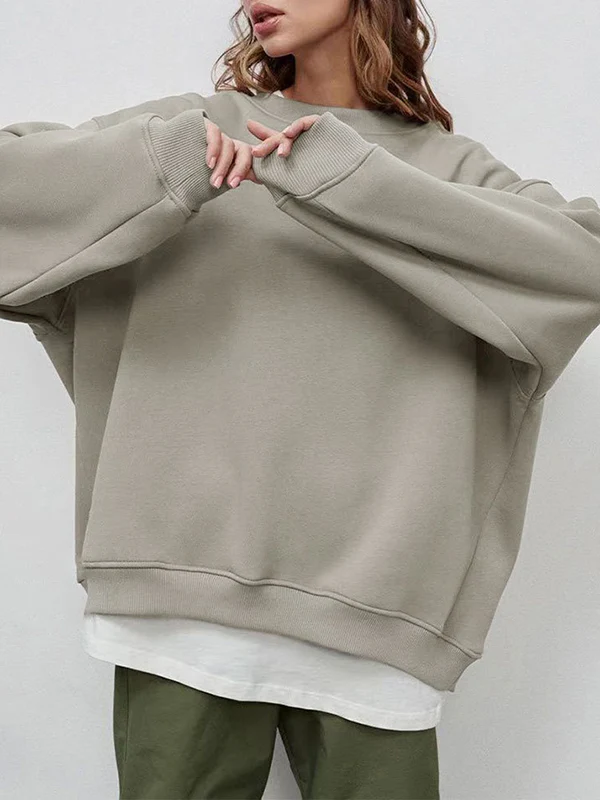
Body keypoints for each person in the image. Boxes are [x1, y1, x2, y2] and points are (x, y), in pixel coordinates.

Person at [2, 0, 600, 798]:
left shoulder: (447, 169)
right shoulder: (198, 128)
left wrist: (348, 182)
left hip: (379, 621)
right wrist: (166, 166)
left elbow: (581, 267)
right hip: (180, 607)